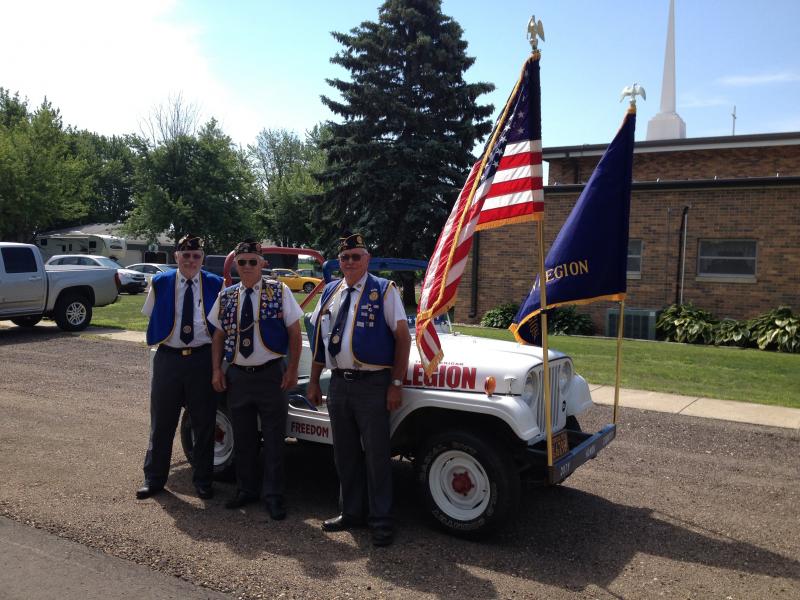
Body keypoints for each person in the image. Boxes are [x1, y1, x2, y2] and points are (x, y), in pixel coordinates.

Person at [306, 233, 411, 547]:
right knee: (345, 454)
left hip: (372, 385)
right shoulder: (331, 292)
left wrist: (395, 383)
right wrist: (313, 381)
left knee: (377, 456)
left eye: (356, 256)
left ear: (367, 259)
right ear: (339, 262)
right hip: (338, 384)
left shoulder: (383, 289)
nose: (350, 262)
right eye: (345, 257)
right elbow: (320, 344)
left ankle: (381, 520)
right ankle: (350, 512)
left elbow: (403, 338)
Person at [209, 240, 302, 521]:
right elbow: (218, 336)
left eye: (252, 261)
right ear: (236, 265)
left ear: (262, 263)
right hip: (238, 375)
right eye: (242, 262)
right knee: (245, 438)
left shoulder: (279, 291)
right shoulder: (226, 296)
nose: (247, 267)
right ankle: (246, 490)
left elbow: (295, 334)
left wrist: (292, 370)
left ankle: (273, 496)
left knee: (274, 439)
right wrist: (217, 370)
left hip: (271, 375)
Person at [136, 234, 223, 500]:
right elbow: (153, 315)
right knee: (162, 421)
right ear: (176, 257)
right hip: (169, 358)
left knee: (204, 422)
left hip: (202, 358)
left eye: (196, 256)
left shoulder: (216, 284)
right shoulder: (160, 282)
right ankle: (154, 478)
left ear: (202, 259)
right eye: (185, 255)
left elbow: (220, 325)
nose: (191, 260)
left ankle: (203, 480)